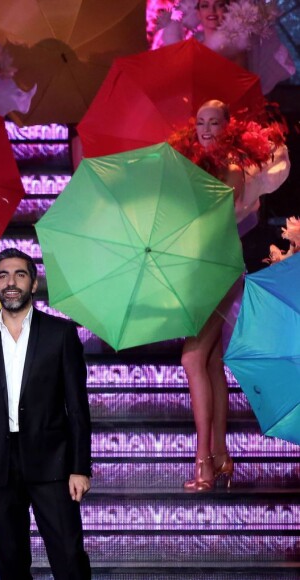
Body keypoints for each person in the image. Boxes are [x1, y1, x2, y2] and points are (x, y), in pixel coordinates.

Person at [168, 99, 289, 491]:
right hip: (202, 268)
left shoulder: (232, 168)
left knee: (191, 359)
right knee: (211, 361)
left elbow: (219, 219)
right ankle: (221, 456)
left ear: (227, 127)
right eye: (200, 122)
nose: (206, 129)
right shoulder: (194, 165)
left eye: (214, 122)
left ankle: (203, 461)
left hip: (217, 269)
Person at [0, 248, 92, 579]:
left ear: (33, 283)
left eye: (19, 274)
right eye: (3, 275)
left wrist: (79, 467)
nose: (10, 282)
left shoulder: (60, 334)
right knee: (11, 562)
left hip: (53, 464)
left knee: (69, 557)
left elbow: (78, 408)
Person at [152, 0, 295, 93]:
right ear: (198, 13)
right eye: (205, 5)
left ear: (228, 10)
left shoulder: (237, 47)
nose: (212, 10)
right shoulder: (193, 47)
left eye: (219, 4)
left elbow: (240, 92)